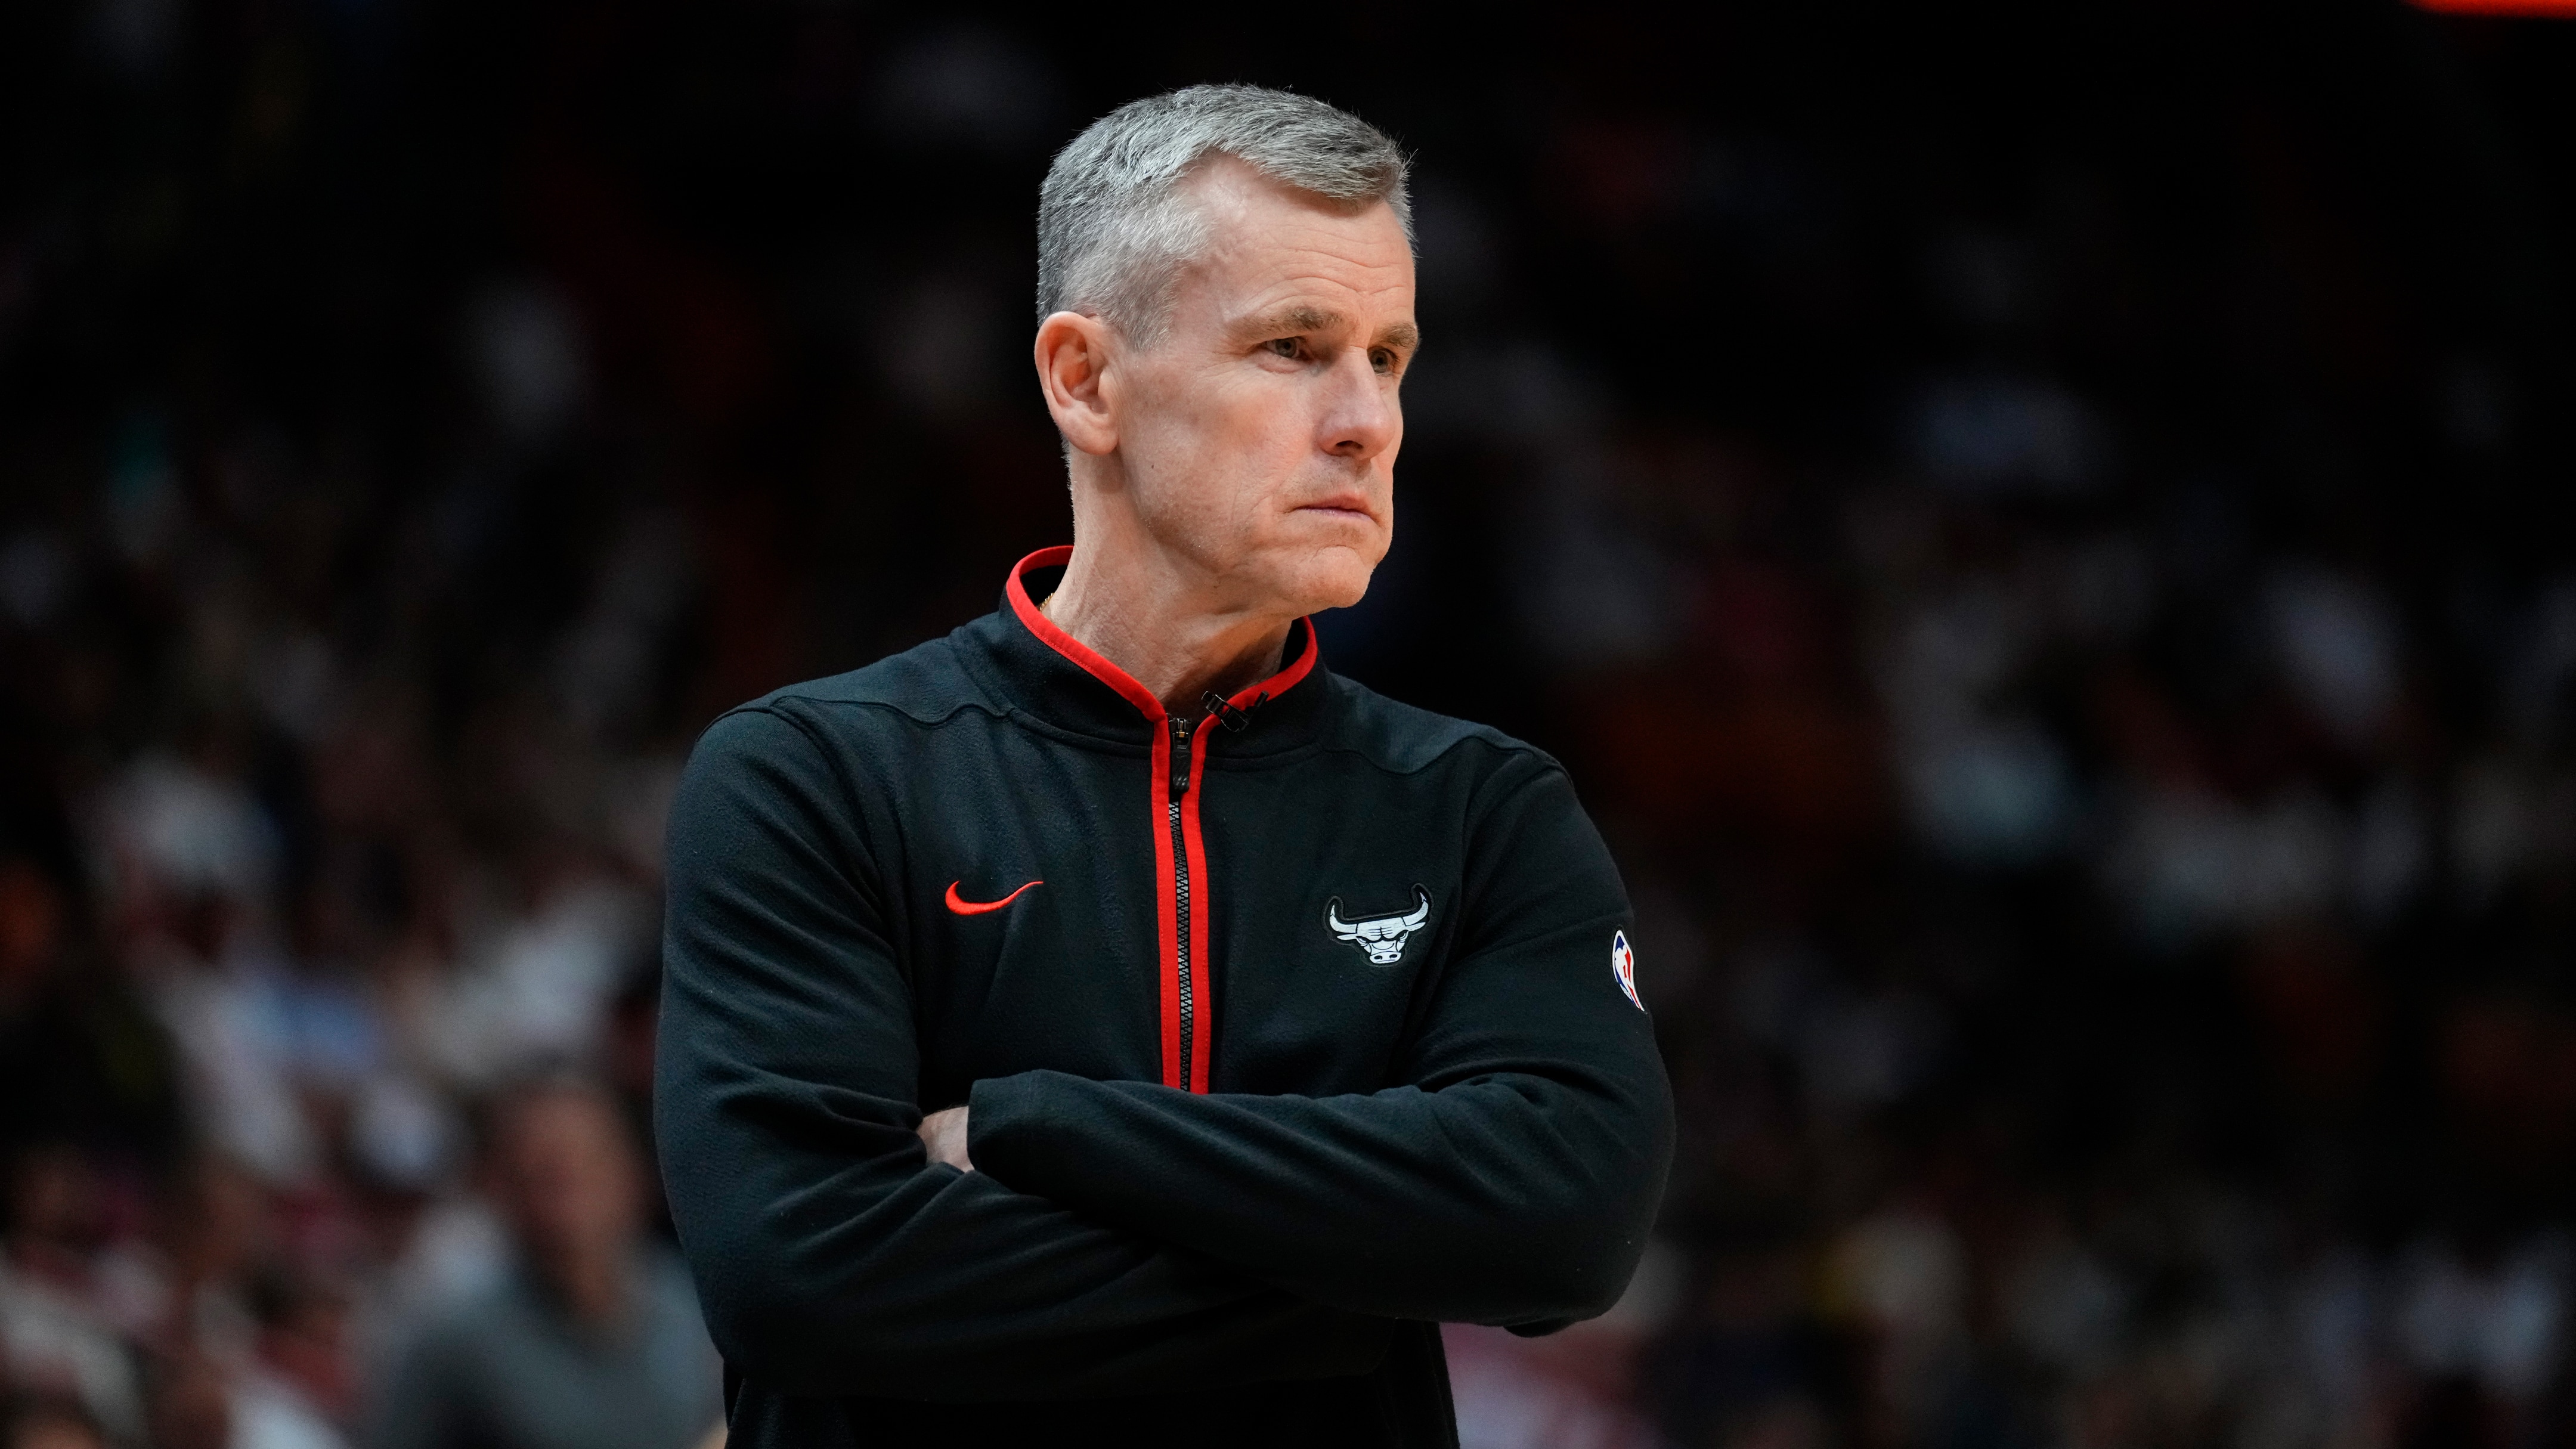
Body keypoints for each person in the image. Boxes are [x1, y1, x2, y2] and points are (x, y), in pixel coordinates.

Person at [656, 84, 1674, 1448]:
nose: (1368, 421)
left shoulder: (1484, 811)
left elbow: (1566, 1223)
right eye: (1293, 347)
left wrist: (1042, 1127)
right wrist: (1375, 1273)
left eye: (1388, 357)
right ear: (1086, 381)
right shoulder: (812, 778)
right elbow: (800, 1276)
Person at [367, 1078, 720, 1449]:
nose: (570, 1197)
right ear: (501, 1190)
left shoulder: (693, 1307)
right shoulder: (451, 1343)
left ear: (633, 1175)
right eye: (544, 1174)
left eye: (587, 1166)